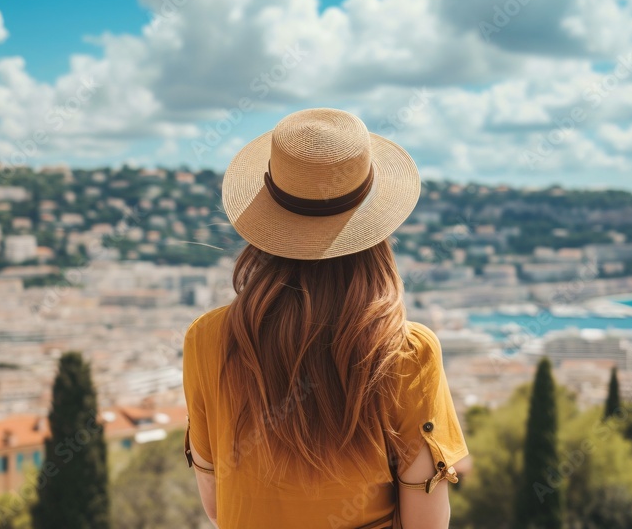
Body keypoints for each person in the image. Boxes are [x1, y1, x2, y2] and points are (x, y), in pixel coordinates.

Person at [182, 108, 468, 528]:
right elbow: (426, 523)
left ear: (267, 221)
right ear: (376, 227)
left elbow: (218, 504)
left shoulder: (207, 339)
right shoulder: (407, 352)